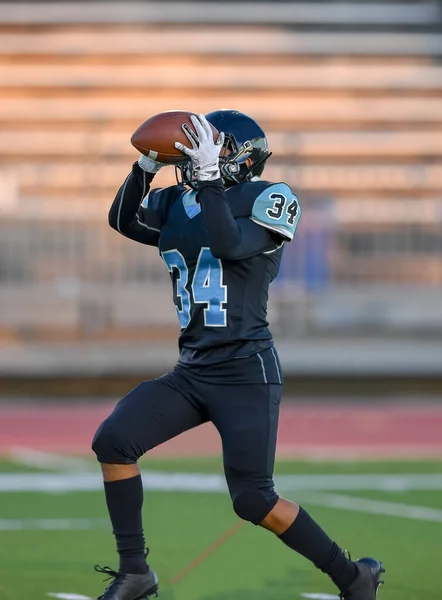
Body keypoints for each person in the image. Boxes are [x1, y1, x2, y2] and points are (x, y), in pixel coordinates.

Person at [92, 110, 385, 600]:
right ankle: (136, 573)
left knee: (253, 499)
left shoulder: (269, 197)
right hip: (192, 371)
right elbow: (122, 220)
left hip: (246, 371)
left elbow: (228, 244)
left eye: (219, 148)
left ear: (245, 157)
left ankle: (351, 575)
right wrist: (146, 164)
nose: (202, 157)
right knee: (114, 440)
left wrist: (208, 183)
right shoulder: (178, 201)